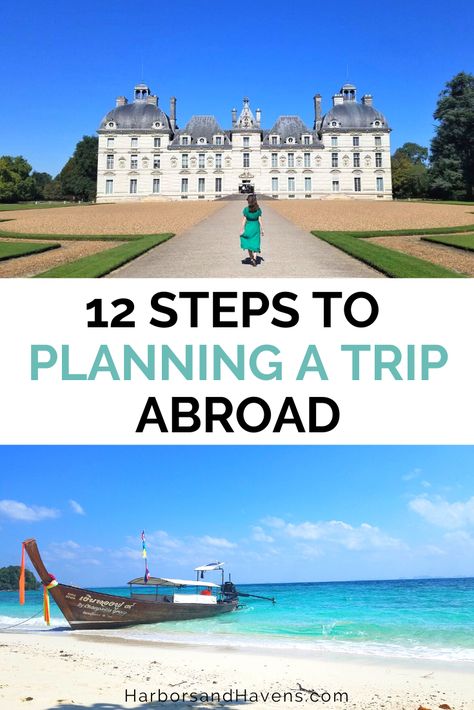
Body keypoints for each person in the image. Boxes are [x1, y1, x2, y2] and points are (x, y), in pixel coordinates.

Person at [240, 194, 264, 267]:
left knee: (248, 243)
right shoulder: (258, 210)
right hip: (256, 227)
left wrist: (242, 229)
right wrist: (262, 229)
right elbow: (260, 220)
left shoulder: (246, 210)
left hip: (249, 227)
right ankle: (255, 257)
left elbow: (244, 220)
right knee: (256, 243)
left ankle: (252, 258)